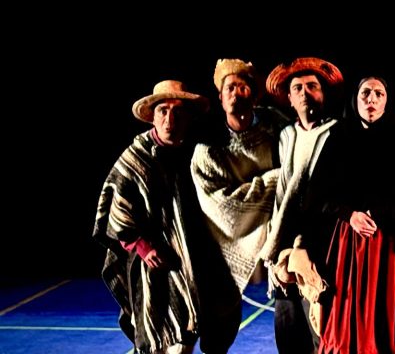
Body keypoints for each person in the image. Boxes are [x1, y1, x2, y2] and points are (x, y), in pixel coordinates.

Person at [310, 76, 395, 354]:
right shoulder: (339, 137)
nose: (371, 99)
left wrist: (380, 211)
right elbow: (318, 193)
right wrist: (348, 214)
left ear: (387, 101)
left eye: (378, 93)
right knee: (348, 319)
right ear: (356, 99)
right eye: (365, 93)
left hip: (393, 240)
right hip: (350, 241)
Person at [94, 80, 209, 354]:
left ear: (188, 117)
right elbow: (115, 209)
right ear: (153, 117)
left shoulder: (197, 155)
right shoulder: (136, 158)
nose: (170, 119)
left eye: (178, 111)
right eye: (163, 111)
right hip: (149, 266)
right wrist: (142, 246)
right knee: (153, 339)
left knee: (183, 339)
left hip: (187, 263)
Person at [190, 58, 289, 352]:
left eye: (243, 87)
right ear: (221, 98)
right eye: (230, 88)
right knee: (220, 319)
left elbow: (296, 174)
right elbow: (222, 208)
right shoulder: (208, 146)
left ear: (255, 95)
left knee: (290, 305)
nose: (235, 93)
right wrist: (272, 181)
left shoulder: (278, 129)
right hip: (224, 243)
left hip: (277, 233)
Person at [258, 57, 344, 354]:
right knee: (288, 330)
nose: (305, 92)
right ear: (290, 98)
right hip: (284, 245)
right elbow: (284, 189)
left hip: (321, 248)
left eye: (312, 86)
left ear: (323, 94)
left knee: (321, 329)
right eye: (298, 88)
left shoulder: (338, 133)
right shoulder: (286, 136)